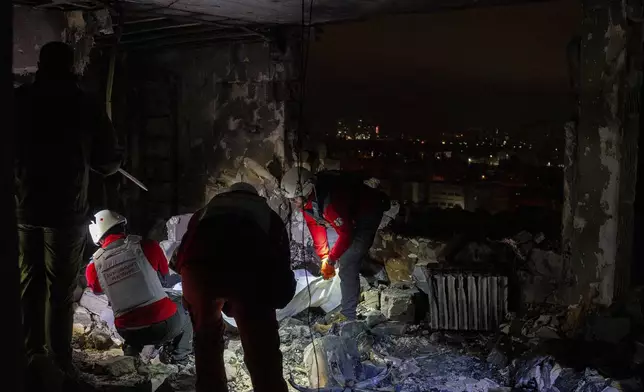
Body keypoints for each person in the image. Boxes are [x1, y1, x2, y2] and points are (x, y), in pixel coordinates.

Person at [14, 41, 123, 389]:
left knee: (29, 282)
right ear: (70, 67)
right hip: (66, 210)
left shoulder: (20, 100)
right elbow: (108, 162)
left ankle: (32, 354)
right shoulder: (84, 104)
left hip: (24, 206)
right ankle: (61, 361)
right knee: (60, 289)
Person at [176, 182, 296, 392]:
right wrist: (275, 297)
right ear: (255, 196)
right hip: (247, 274)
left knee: (206, 338)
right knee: (259, 342)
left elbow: (183, 253)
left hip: (199, 274)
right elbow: (280, 264)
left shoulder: (204, 212)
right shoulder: (267, 214)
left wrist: (195, 299)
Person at [281, 168, 390, 330]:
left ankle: (349, 317)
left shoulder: (330, 203)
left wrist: (332, 259)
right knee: (334, 252)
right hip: (348, 215)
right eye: (291, 200)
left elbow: (346, 233)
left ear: (307, 191)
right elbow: (315, 224)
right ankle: (343, 300)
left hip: (367, 213)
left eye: (295, 199)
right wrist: (324, 256)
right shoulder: (308, 201)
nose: (294, 203)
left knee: (347, 260)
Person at [86, 210, 193, 365]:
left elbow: (97, 290)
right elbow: (164, 275)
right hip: (162, 327)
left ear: (98, 236)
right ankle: (178, 359)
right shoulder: (147, 245)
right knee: (186, 306)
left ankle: (131, 355)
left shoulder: (94, 265)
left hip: (127, 332)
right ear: (122, 227)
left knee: (131, 315)